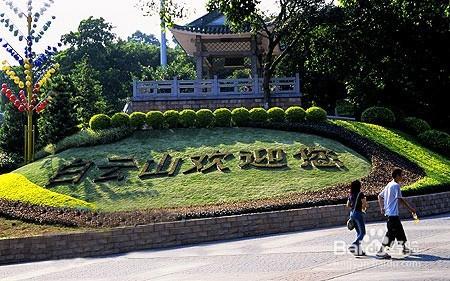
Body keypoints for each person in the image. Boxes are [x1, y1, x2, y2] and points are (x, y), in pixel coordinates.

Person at [376, 168, 416, 259]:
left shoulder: (389, 184)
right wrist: (411, 209)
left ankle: (404, 248)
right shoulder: (396, 186)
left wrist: (382, 208)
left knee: (400, 232)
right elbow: (400, 199)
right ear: (397, 176)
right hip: (393, 215)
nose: (402, 177)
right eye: (401, 175)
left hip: (391, 214)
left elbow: (379, 196)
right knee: (390, 234)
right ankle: (380, 252)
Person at [346, 180, 369, 256]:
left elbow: (348, 205)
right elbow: (365, 205)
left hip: (352, 214)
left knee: (358, 233)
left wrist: (353, 207)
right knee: (363, 233)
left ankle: (358, 251)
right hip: (358, 214)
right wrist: (364, 208)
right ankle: (354, 245)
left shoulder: (351, 194)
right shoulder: (360, 194)